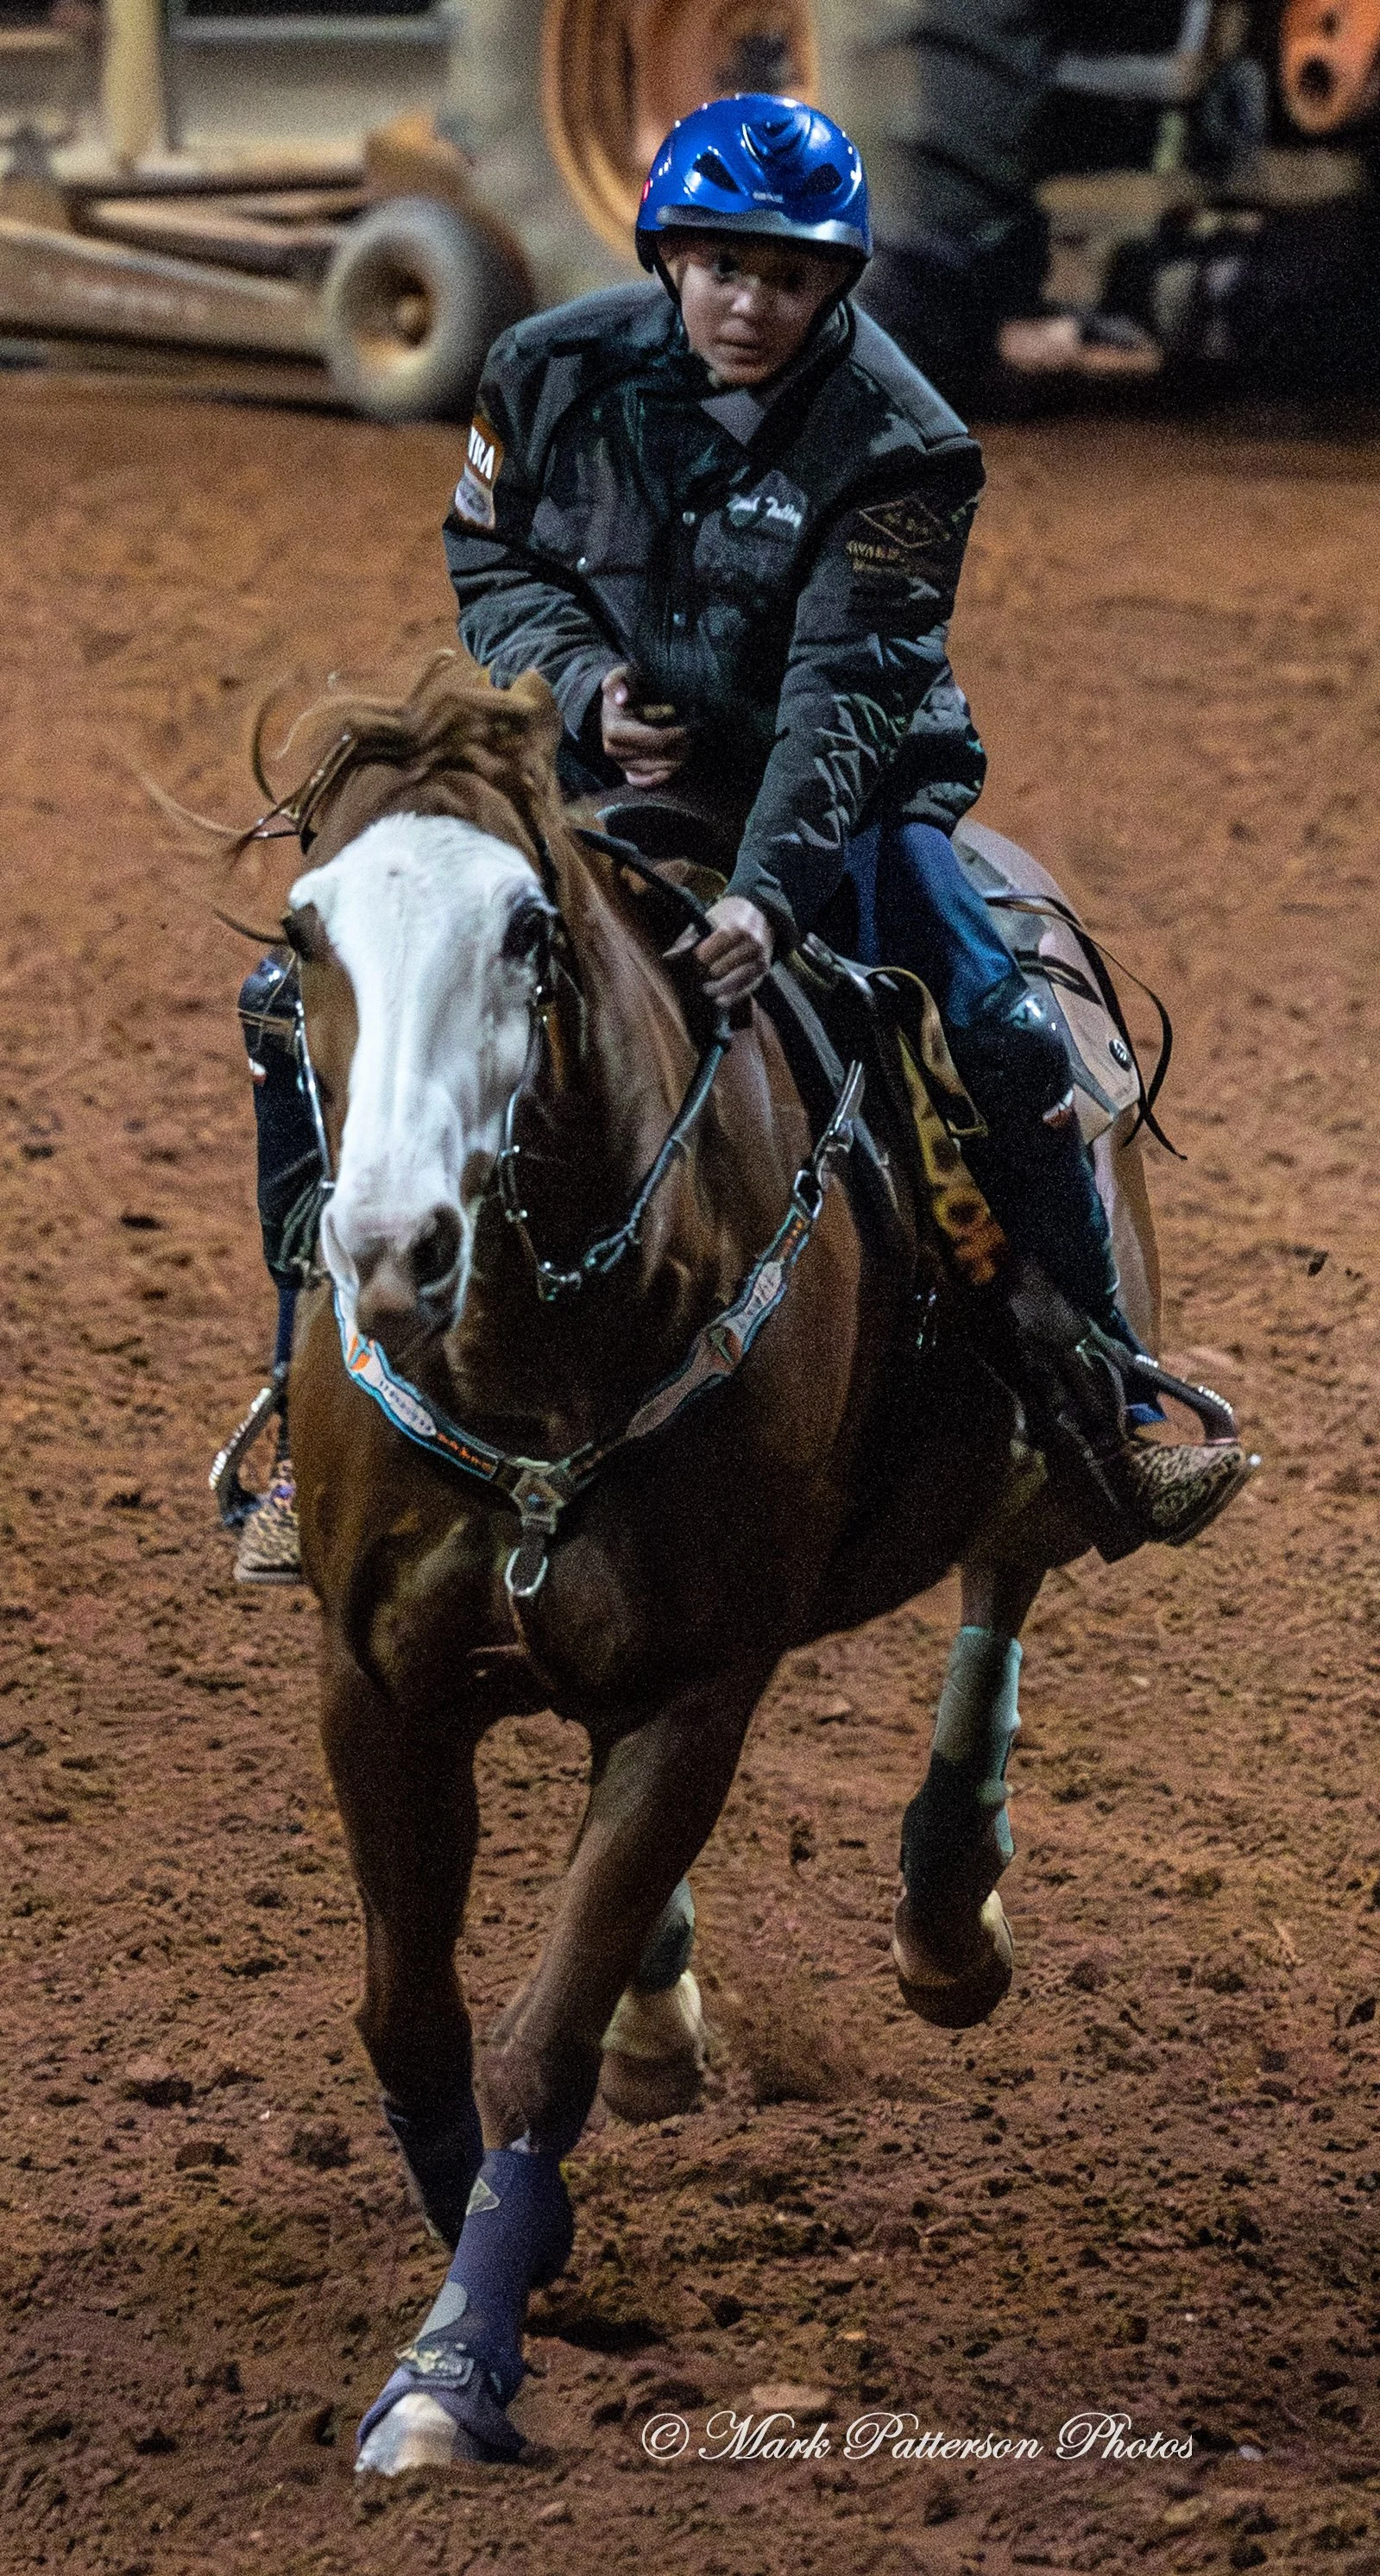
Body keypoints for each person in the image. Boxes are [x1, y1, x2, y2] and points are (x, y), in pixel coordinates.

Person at [440, 90, 1249, 1558]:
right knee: (299, 1002)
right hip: (596, 772)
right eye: (724, 267)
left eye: (792, 277)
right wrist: (575, 685)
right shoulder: (539, 370)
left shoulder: (904, 446)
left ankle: (1109, 1410)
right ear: (669, 256)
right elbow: (491, 562)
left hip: (838, 794)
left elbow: (845, 692)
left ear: (835, 287)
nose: (752, 303)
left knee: (999, 1032)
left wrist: (766, 897)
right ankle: (310, 1406)